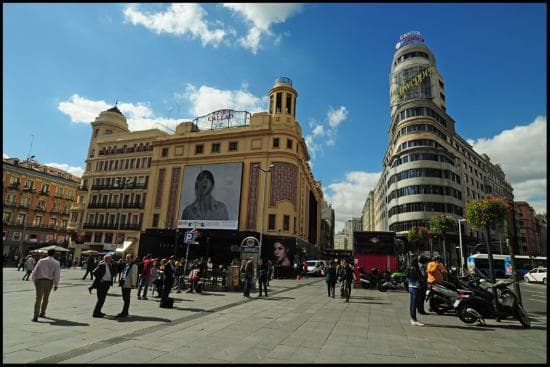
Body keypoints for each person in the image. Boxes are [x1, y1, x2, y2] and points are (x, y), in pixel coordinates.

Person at [30, 249, 60, 321]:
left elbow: (35, 270)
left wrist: (34, 279)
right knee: (46, 298)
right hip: (49, 282)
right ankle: (42, 313)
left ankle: (35, 316)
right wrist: (56, 284)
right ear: (54, 254)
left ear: (47, 253)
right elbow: (57, 274)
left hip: (40, 281)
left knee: (38, 298)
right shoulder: (56, 262)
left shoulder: (41, 261)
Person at [116, 253, 138, 318]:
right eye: (126, 258)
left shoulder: (134, 266)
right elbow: (123, 272)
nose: (127, 259)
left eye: (128, 258)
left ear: (132, 259)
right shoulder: (126, 264)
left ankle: (124, 312)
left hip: (128, 284)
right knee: (124, 298)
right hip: (123, 283)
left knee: (126, 299)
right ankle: (126, 311)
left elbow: (134, 275)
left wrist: (133, 284)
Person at [407, 257, 425, 326]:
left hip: (410, 287)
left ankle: (412, 318)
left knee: (412, 304)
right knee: (414, 304)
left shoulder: (409, 268)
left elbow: (407, 277)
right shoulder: (416, 268)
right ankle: (414, 319)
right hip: (415, 288)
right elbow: (421, 277)